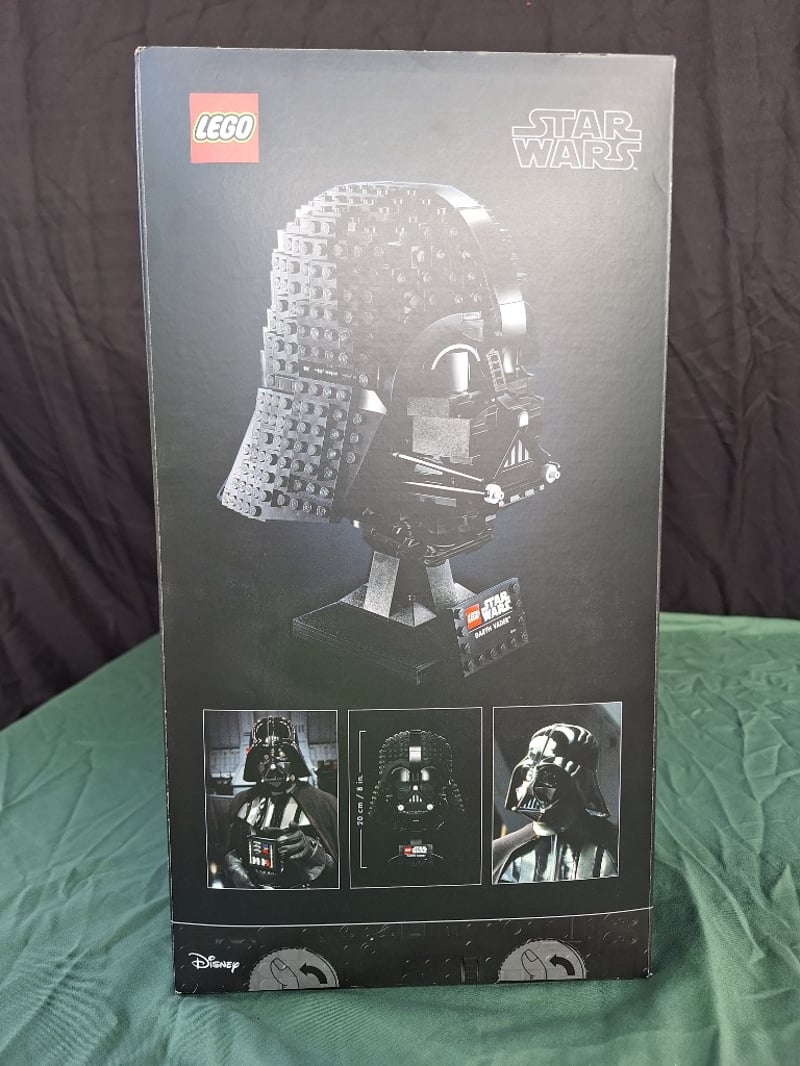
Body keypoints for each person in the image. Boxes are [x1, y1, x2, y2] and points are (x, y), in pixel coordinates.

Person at [492, 723, 617, 884]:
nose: (531, 786)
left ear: (578, 782)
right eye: (529, 772)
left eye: (549, 775)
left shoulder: (617, 848)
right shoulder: (499, 853)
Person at [224, 716, 338, 889]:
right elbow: (231, 849)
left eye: (281, 756)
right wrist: (233, 866)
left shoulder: (323, 803)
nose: (272, 767)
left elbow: (341, 869)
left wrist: (314, 852)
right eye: (264, 758)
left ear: (294, 759)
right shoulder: (241, 802)